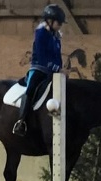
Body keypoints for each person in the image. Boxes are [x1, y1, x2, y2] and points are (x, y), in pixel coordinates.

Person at [13, 4, 65, 137]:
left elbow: (58, 56)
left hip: (54, 72)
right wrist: (56, 67)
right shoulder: (41, 33)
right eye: (58, 22)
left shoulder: (56, 37)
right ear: (50, 21)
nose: (60, 25)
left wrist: (61, 68)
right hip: (39, 68)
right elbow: (42, 56)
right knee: (31, 89)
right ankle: (21, 121)